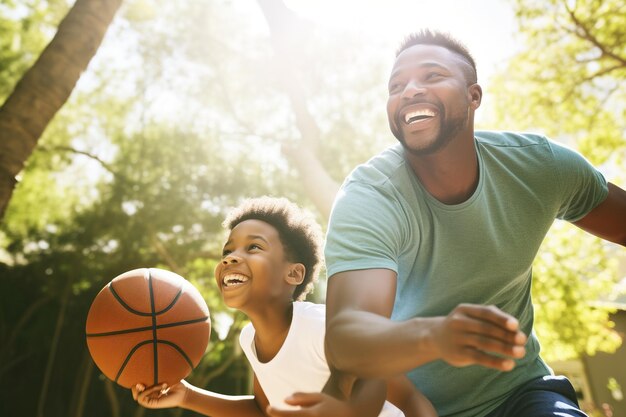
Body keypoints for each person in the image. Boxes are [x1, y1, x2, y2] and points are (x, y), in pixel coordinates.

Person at [310, 29, 626, 417]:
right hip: (414, 409)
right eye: (396, 85)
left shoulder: (539, 167)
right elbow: (346, 340)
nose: (409, 90)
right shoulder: (370, 196)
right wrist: (434, 336)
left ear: (473, 96)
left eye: (432, 76)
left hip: (522, 394)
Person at [132, 196, 437, 417]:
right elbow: (264, 410)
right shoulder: (250, 340)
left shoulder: (322, 329)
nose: (230, 258)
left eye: (253, 247)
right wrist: (187, 396)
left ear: (294, 273)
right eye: (228, 250)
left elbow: (408, 398)